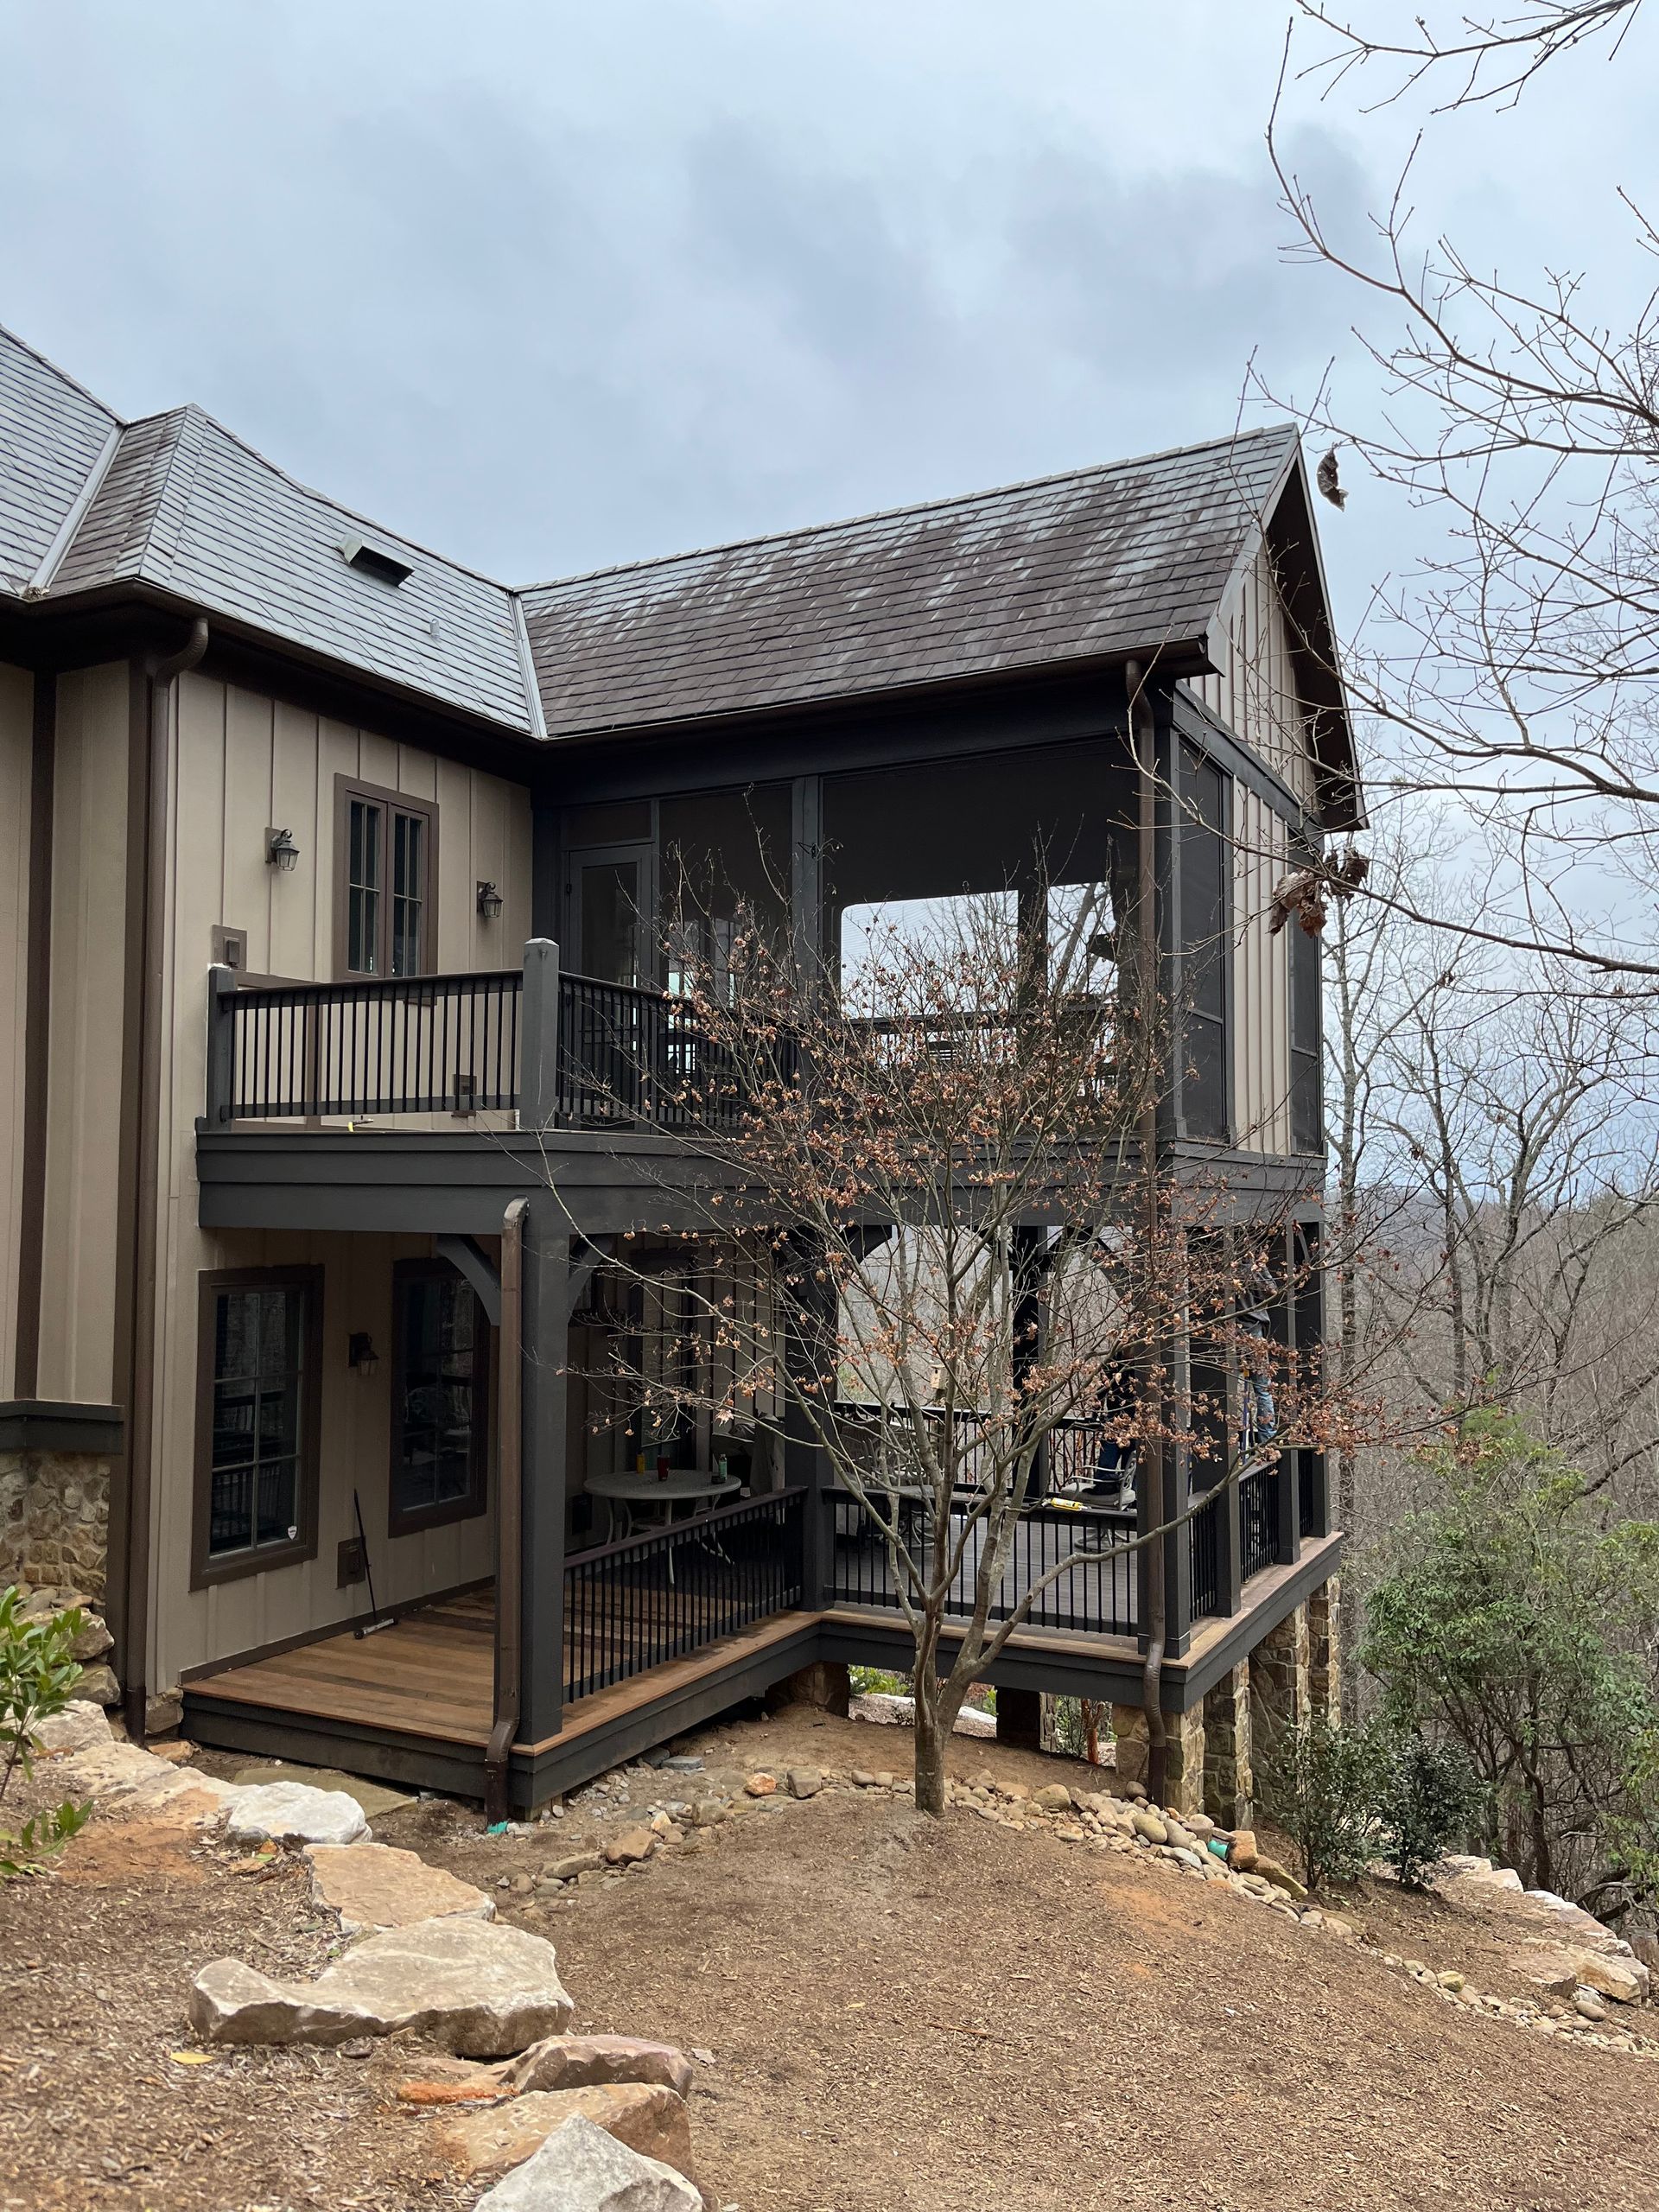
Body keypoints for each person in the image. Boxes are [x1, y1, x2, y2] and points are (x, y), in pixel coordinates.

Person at [1239, 1261, 1278, 1454]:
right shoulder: (1256, 1266)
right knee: (1263, 1391)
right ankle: (1267, 1442)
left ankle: (1238, 1444)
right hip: (1255, 1334)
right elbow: (1273, 1290)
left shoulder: (1226, 1268)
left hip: (1232, 1333)